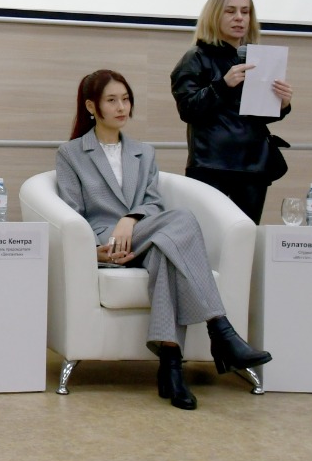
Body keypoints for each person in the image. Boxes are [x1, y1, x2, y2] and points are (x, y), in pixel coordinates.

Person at [56, 69, 272, 410]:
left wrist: (130, 219)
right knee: (182, 219)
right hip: (109, 244)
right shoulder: (71, 154)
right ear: (91, 106)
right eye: (111, 100)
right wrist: (98, 252)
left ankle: (171, 367)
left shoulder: (144, 152)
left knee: (166, 253)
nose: (122, 107)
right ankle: (219, 331)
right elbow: (72, 212)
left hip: (145, 234)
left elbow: (154, 203)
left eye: (126, 99)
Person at [171, 0, 294, 223]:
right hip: (211, 165)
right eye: (230, 11)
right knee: (207, 234)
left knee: (246, 235)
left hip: (253, 166)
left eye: (245, 12)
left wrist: (281, 104)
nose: (239, 18)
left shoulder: (256, 57)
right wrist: (222, 85)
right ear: (214, 15)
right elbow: (188, 109)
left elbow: (253, 114)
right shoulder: (196, 57)